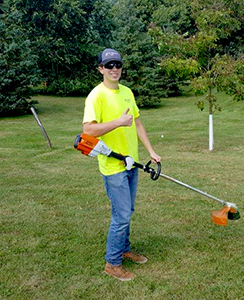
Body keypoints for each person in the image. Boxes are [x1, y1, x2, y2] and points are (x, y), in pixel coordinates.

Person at [82, 48, 161, 281]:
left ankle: (124, 249)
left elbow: (137, 123)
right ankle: (112, 262)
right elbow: (88, 130)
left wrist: (151, 150)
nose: (114, 69)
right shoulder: (96, 96)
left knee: (128, 211)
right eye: (109, 65)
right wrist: (118, 122)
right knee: (122, 215)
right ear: (100, 69)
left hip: (131, 164)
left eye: (117, 64)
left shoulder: (127, 92)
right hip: (112, 165)